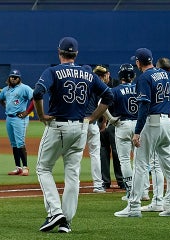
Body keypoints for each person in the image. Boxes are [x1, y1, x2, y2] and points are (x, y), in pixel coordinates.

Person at [34, 37, 113, 233]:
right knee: (72, 174)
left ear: (59, 52)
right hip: (81, 127)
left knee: (43, 168)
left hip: (58, 126)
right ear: (76, 54)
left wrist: (42, 115)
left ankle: (55, 212)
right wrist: (91, 117)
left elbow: (37, 92)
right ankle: (66, 222)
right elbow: (109, 96)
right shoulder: (88, 74)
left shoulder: (52, 71)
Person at [115, 48, 170, 218]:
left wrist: (137, 131)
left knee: (141, 165)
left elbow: (143, 106)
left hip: (152, 123)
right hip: (167, 123)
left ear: (138, 63)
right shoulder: (166, 74)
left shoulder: (144, 78)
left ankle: (133, 206)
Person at [106, 64, 139, 200]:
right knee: (140, 161)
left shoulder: (115, 90)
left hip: (123, 125)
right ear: (133, 76)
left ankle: (130, 192)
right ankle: (141, 191)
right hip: (138, 125)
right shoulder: (139, 88)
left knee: (125, 160)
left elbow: (102, 105)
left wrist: (111, 120)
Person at [0, 69, 34, 176]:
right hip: (9, 118)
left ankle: (25, 167)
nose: (13, 78)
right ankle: (18, 168)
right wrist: (6, 106)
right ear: (9, 78)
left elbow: (34, 99)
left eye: (16, 77)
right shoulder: (5, 89)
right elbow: (0, 99)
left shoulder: (24, 88)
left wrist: (27, 112)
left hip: (19, 119)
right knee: (14, 144)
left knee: (20, 143)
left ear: (19, 78)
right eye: (12, 77)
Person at [83, 65, 108, 193]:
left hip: (79, 124)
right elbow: (103, 104)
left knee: (73, 155)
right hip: (92, 123)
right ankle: (98, 185)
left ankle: (73, 184)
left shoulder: (78, 85)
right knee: (95, 155)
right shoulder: (96, 86)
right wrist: (103, 121)